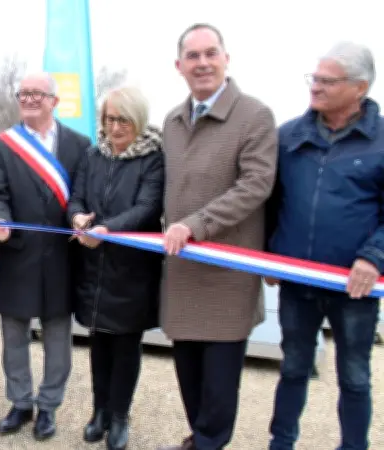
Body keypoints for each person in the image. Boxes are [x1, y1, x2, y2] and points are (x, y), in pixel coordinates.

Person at [157, 23, 278, 450]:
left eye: (211, 53)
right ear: (179, 66)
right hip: (183, 273)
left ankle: (209, 443)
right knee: (188, 374)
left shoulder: (255, 116)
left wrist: (195, 224)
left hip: (228, 272)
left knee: (220, 385)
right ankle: (201, 438)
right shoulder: (171, 122)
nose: (203, 63)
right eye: (193, 56)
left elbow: (255, 185)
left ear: (227, 58)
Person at [266, 42, 382, 450]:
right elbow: (270, 201)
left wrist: (373, 258)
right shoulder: (288, 136)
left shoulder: (381, 141)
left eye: (326, 81)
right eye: (313, 78)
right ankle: (281, 443)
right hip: (298, 283)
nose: (315, 87)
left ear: (359, 88)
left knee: (354, 374)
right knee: (294, 367)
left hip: (356, 287)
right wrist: (269, 253)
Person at [0, 72, 91, 441]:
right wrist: (1, 219)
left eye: (37, 94)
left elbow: (81, 196)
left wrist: (80, 218)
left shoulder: (80, 145)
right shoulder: (0, 146)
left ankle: (48, 406)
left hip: (62, 257)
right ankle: (19, 402)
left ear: (54, 101)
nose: (29, 99)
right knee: (14, 335)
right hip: (18, 252)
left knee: (58, 337)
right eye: (23, 93)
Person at [69, 87, 164, 450]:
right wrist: (77, 215)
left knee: (125, 345)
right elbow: (76, 196)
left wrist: (108, 230)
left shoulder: (153, 158)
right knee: (98, 343)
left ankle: (121, 415)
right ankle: (100, 411)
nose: (116, 126)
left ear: (137, 119)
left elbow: (146, 207)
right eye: (110, 118)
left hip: (132, 268)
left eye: (123, 118)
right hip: (93, 264)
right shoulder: (93, 155)